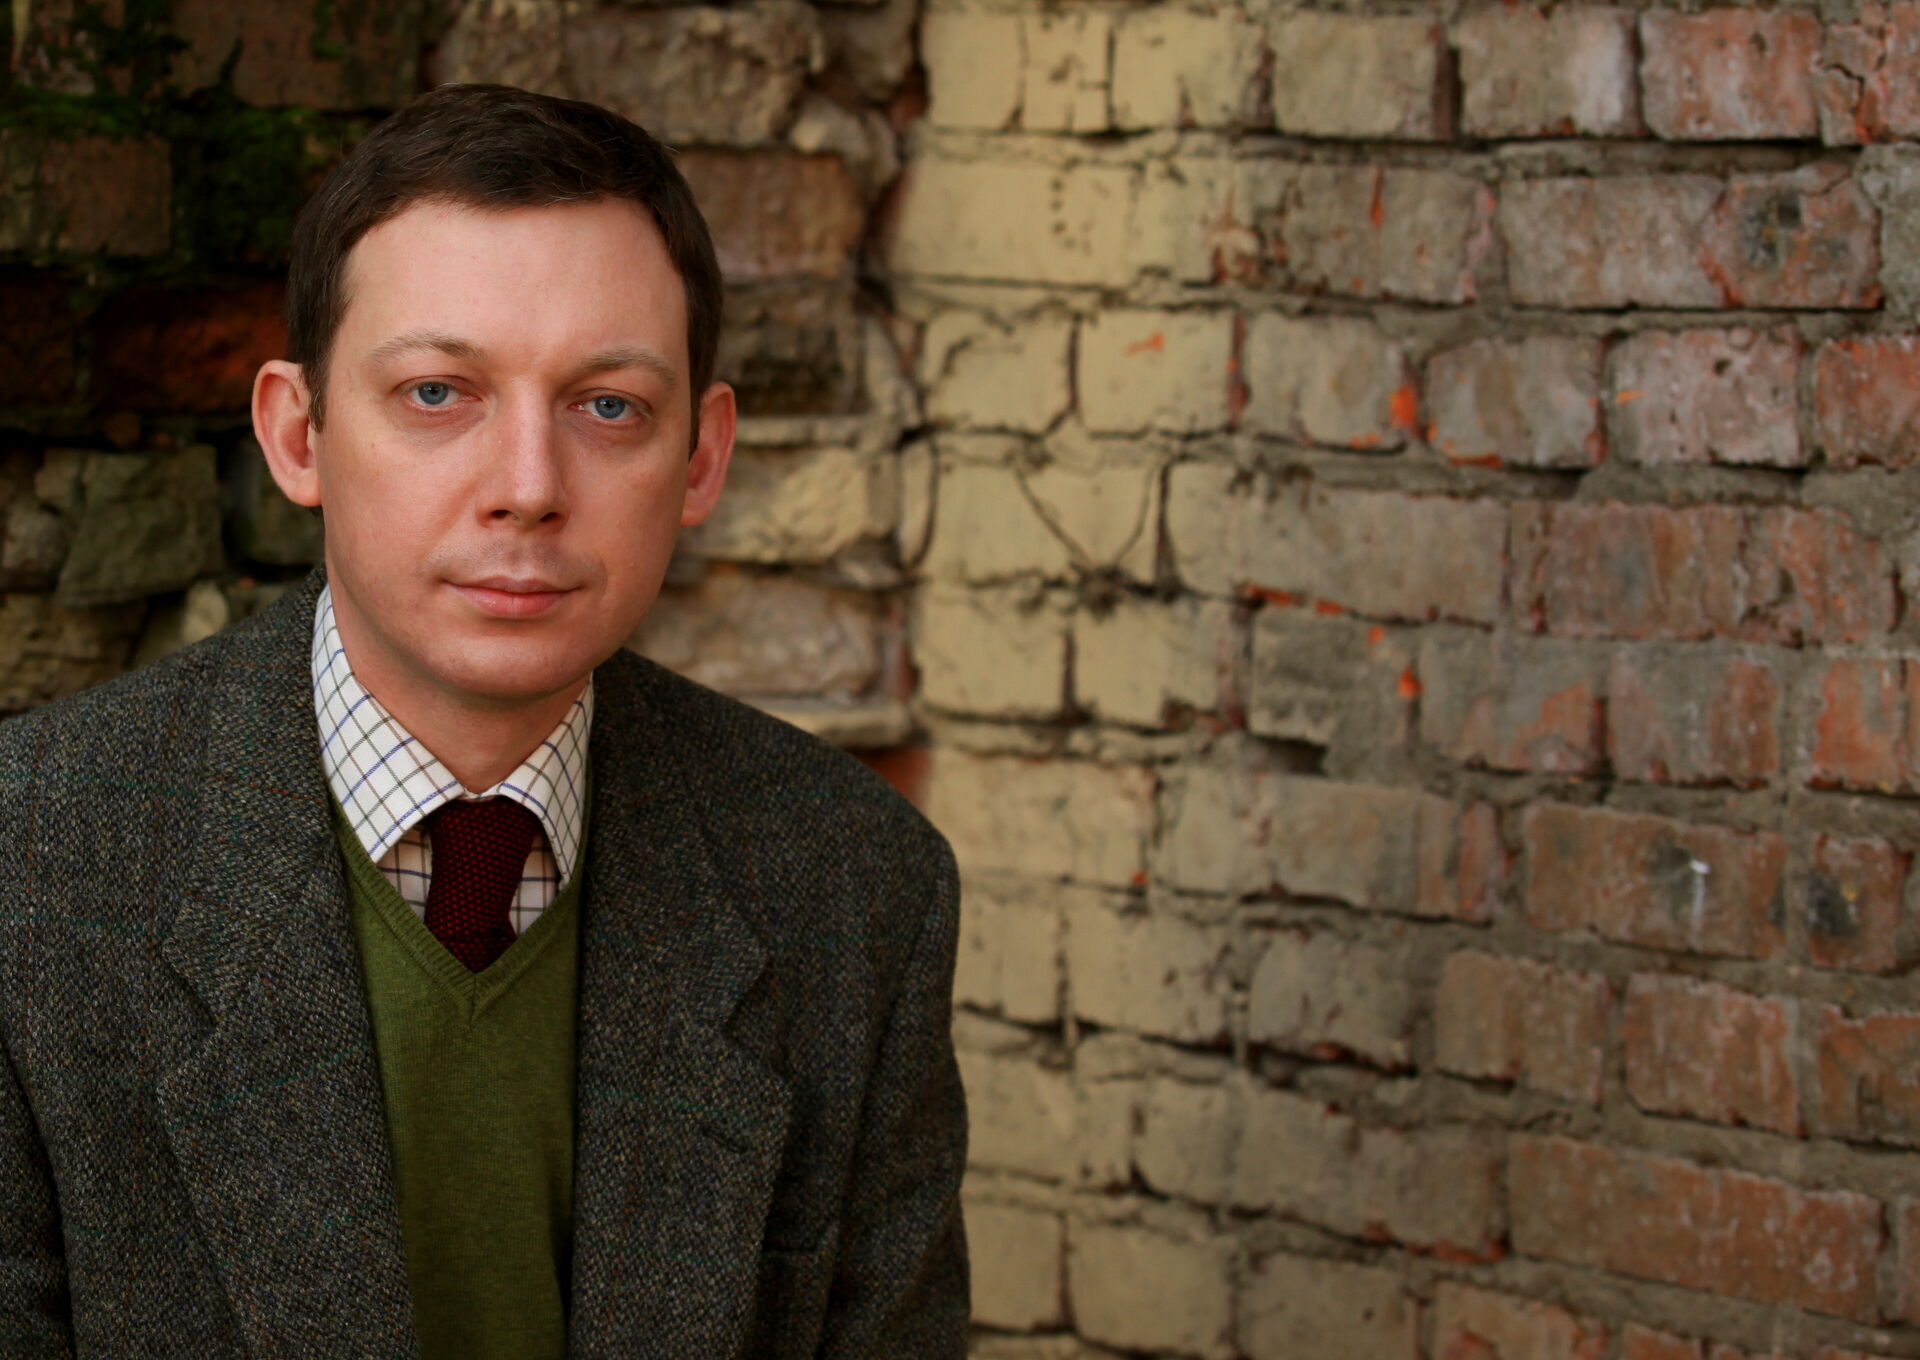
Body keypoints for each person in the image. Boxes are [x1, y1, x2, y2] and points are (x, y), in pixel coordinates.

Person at [0, 83, 968, 1359]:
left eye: (608, 406)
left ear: (700, 457)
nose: (528, 487)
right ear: (298, 434)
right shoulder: (32, 864)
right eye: (438, 394)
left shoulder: (854, 885)